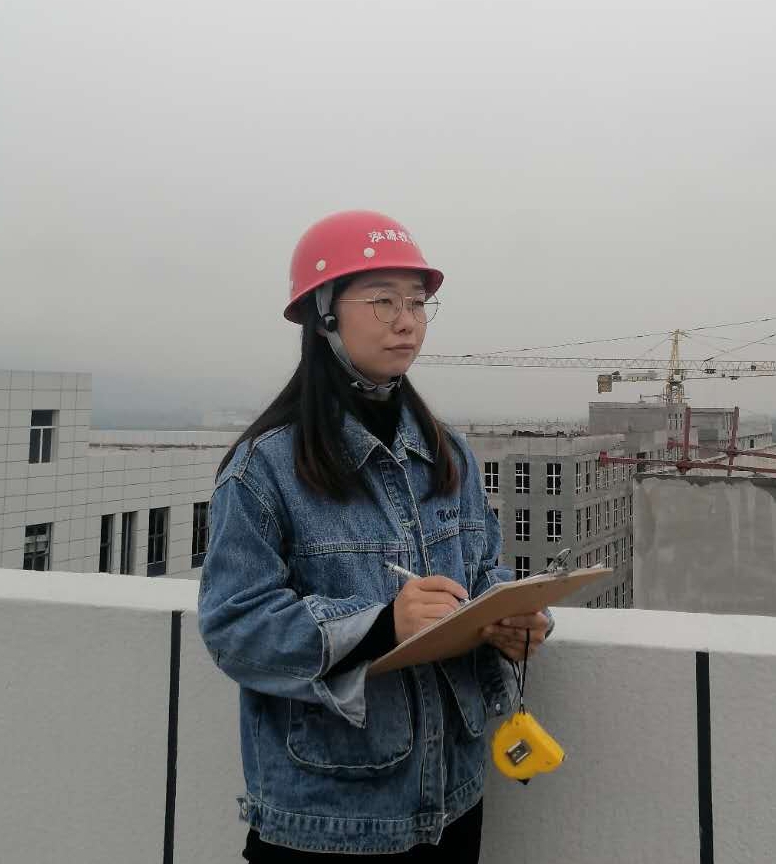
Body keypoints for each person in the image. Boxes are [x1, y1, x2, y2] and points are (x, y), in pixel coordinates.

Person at [197, 210, 554, 861]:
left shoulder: (448, 452)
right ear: (323, 315)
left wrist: (511, 617)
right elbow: (234, 627)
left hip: (455, 797)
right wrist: (382, 625)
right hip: (327, 822)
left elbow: (484, 570)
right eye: (383, 301)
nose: (407, 321)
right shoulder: (265, 467)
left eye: (417, 303)